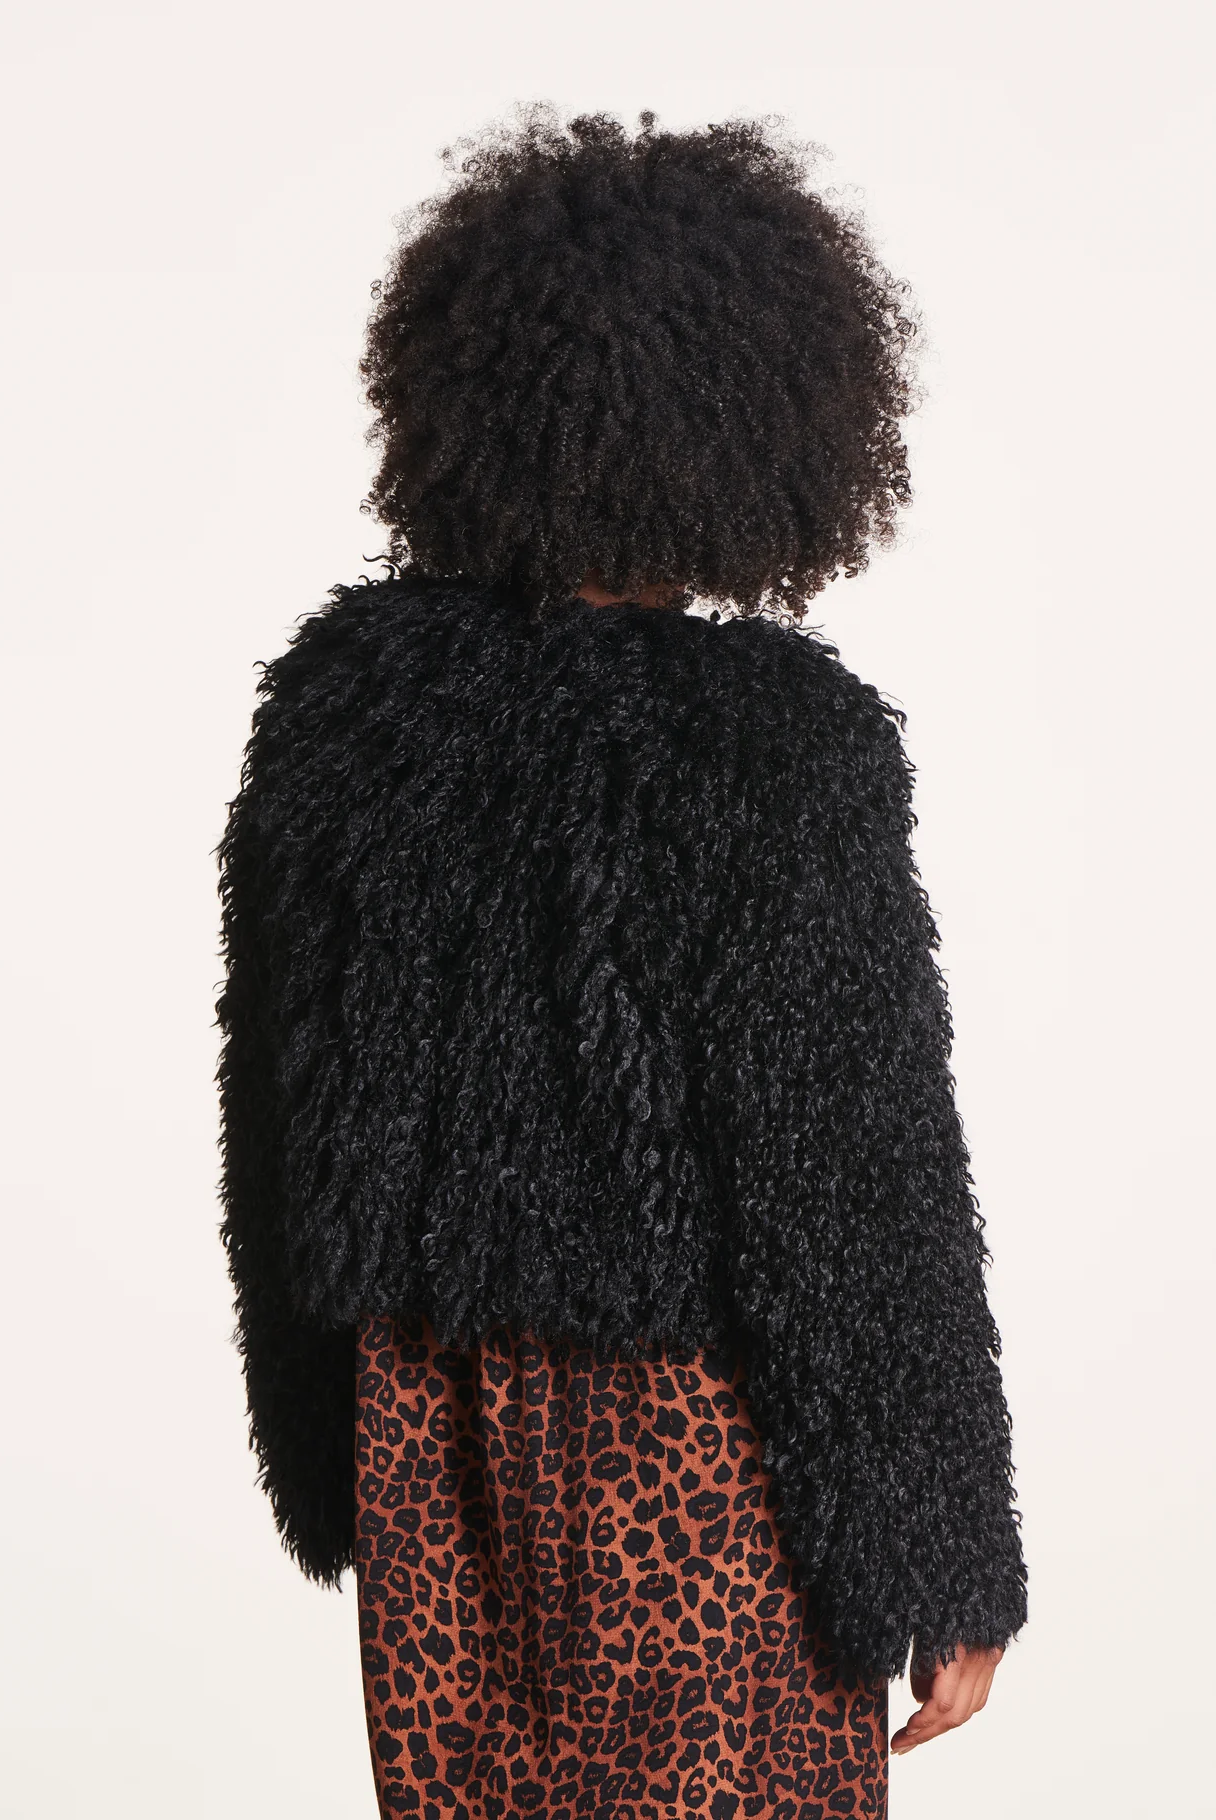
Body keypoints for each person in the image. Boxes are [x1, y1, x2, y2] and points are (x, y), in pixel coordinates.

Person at [215, 105, 1026, 1820]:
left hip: (429, 1431)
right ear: (767, 417)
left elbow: (273, 1111)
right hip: (698, 1441)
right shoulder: (770, 746)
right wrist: (944, 1550)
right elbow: (848, 1173)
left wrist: (328, 1438)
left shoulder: (347, 719)